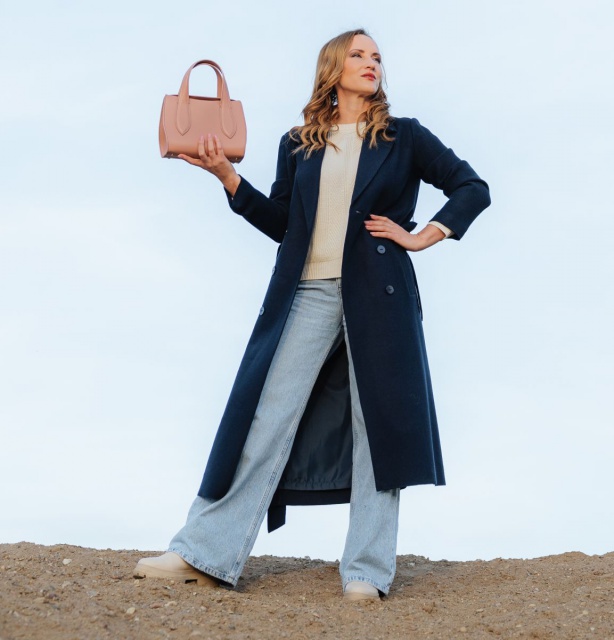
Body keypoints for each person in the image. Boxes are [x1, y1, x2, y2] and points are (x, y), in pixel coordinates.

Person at [134, 28, 490, 601]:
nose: (371, 63)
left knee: (377, 431)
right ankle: (204, 551)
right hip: (307, 291)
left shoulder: (405, 136)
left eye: (377, 57)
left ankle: (366, 572)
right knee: (264, 417)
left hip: (381, 297)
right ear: (333, 67)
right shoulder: (298, 143)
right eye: (358, 55)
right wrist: (229, 179)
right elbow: (284, 226)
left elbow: (472, 187)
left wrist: (423, 235)